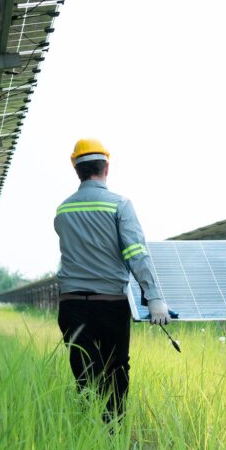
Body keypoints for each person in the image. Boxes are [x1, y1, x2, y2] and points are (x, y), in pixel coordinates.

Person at [54, 138, 170, 424]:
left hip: (71, 306)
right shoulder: (120, 204)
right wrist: (154, 296)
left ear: (75, 169)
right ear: (107, 166)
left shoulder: (63, 210)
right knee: (115, 370)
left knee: (84, 372)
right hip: (110, 304)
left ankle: (85, 432)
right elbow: (136, 253)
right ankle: (112, 434)